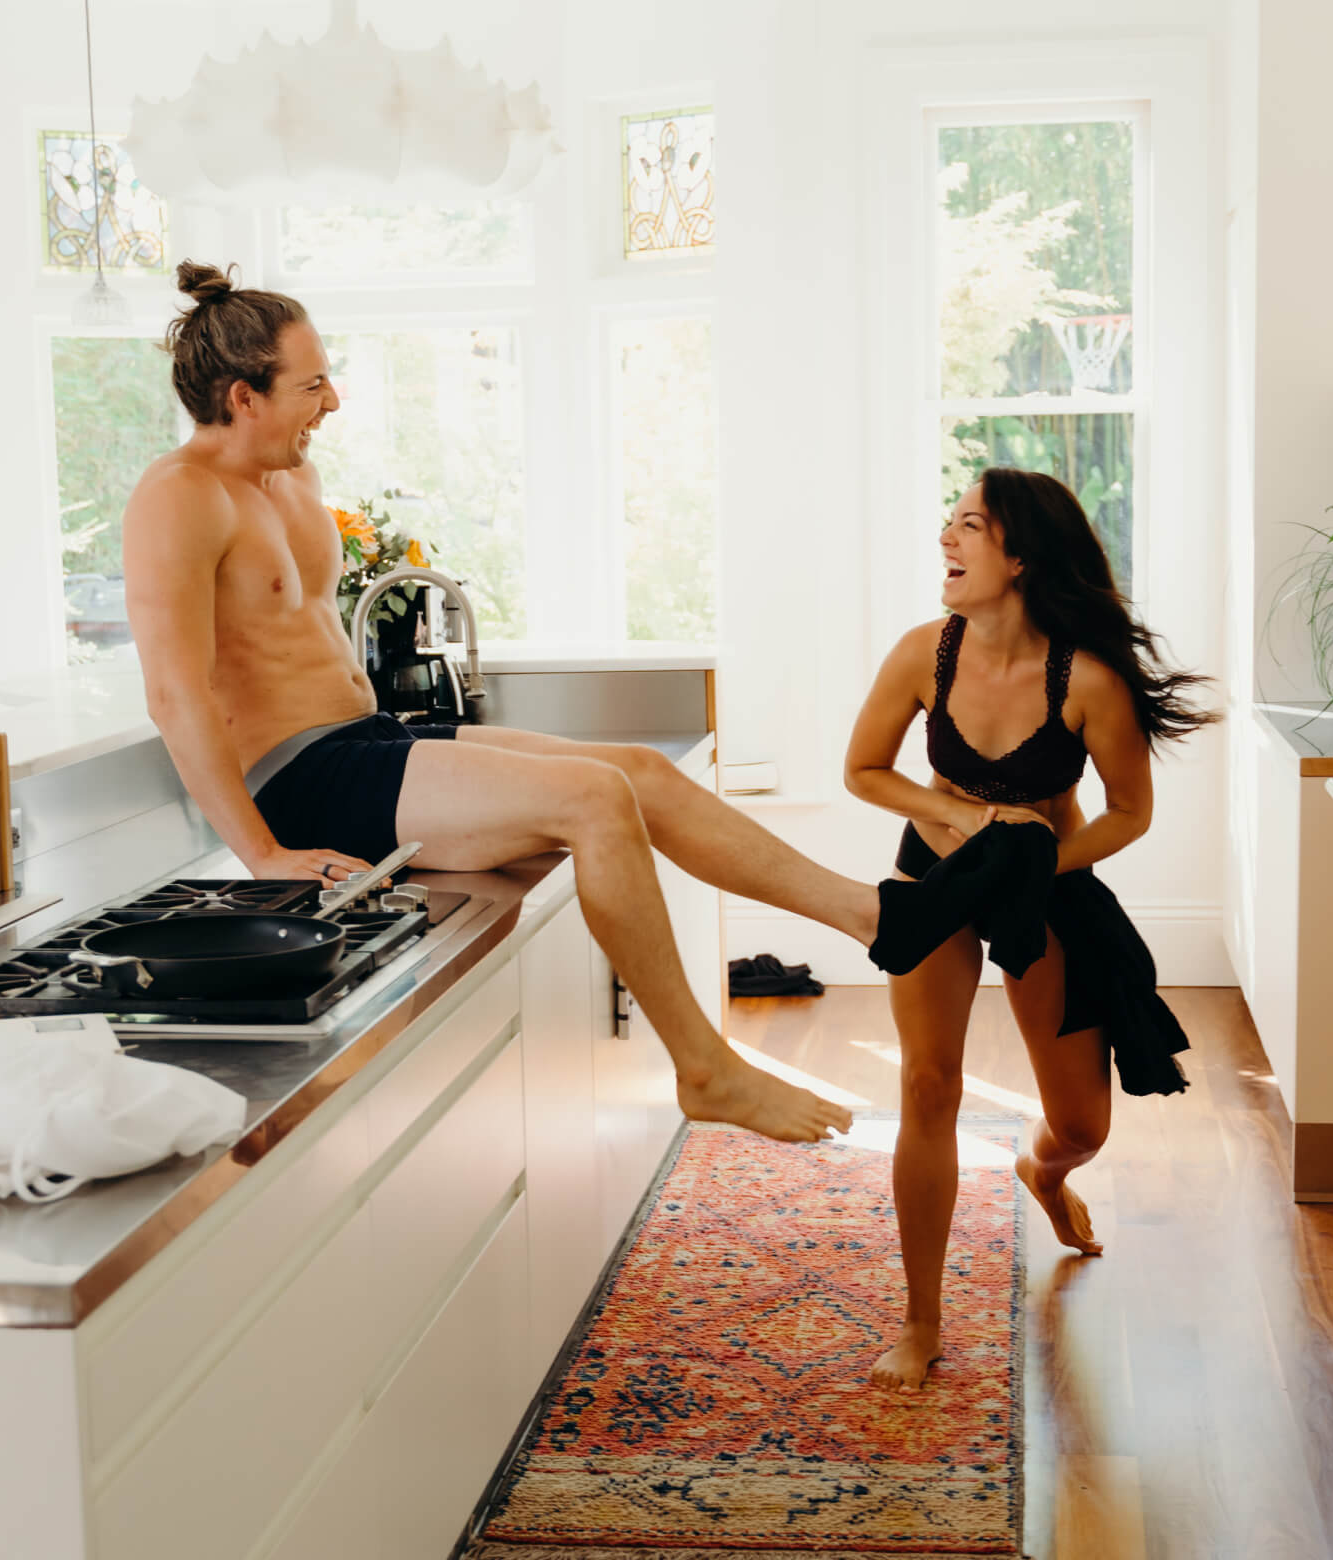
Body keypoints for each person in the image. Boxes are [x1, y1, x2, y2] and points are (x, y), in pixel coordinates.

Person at [124, 260, 880, 1146]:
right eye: (314, 382)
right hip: (300, 780)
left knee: (637, 769)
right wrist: (262, 853)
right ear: (244, 396)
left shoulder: (294, 482)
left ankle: (869, 915)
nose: (333, 401)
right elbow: (174, 696)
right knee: (594, 799)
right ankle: (706, 1070)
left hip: (366, 741)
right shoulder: (178, 498)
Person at [844, 467, 1215, 1392]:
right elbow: (863, 771)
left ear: (1019, 557)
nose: (946, 539)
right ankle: (922, 1321)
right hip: (935, 873)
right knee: (930, 1086)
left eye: (968, 525)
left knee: (1083, 1124)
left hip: (1048, 887)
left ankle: (1044, 1174)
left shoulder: (1085, 679)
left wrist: (1037, 861)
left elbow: (1130, 810)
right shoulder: (921, 654)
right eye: (949, 522)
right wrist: (975, 829)